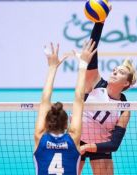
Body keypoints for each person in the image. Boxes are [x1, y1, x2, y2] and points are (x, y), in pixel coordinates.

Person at [78, 7, 137, 175]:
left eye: (121, 72)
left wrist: (89, 147)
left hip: (100, 146)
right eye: (115, 69)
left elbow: (115, 144)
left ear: (127, 83)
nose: (115, 71)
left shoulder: (124, 108)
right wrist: (99, 22)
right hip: (77, 140)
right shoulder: (97, 84)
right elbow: (92, 56)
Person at [33, 40, 97, 175]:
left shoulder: (40, 137)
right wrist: (83, 64)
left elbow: (45, 101)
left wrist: (52, 68)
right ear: (67, 123)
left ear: (47, 122)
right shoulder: (73, 138)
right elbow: (79, 99)